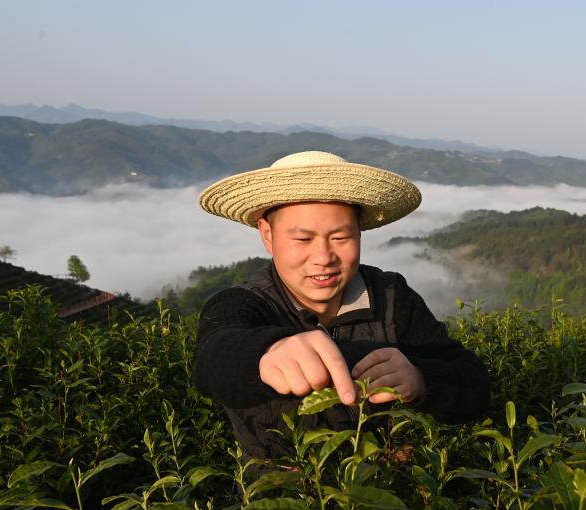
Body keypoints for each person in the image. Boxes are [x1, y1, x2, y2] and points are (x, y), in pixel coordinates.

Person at [192, 151, 490, 459]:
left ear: (359, 232)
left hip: (386, 492)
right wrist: (265, 352)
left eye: (340, 237)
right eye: (303, 240)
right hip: (284, 497)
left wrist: (420, 379)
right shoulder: (242, 304)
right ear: (267, 234)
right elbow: (213, 357)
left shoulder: (391, 297)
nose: (324, 258)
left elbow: (472, 385)